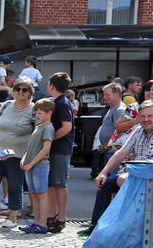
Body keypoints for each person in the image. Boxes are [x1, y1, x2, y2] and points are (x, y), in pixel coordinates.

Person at [82, 100, 153, 236]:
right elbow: (121, 152)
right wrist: (103, 172)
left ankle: (124, 231)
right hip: (135, 175)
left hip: (148, 177)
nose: (146, 120)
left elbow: (149, 162)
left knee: (124, 182)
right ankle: (97, 227)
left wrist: (130, 175)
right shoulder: (138, 130)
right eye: (143, 116)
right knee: (105, 183)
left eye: (150, 116)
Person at [0, 76, 36, 228]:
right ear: (13, 90)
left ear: (30, 92)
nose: (21, 92)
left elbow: (37, 132)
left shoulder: (33, 109)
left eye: (25, 89)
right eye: (18, 89)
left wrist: (29, 154)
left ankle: (13, 216)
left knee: (15, 185)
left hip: (17, 154)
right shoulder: (6, 105)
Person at [44, 72, 75, 234]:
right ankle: (51, 215)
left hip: (60, 148)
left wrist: (50, 140)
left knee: (59, 183)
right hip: (56, 149)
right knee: (52, 184)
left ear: (52, 86)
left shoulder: (62, 103)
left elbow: (67, 127)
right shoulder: (58, 102)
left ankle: (61, 218)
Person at [19, 98, 55, 234]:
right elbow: (31, 147)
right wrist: (24, 159)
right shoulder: (38, 127)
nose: (37, 116)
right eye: (36, 113)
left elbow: (46, 148)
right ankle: (36, 222)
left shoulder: (48, 128)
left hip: (40, 165)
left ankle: (42, 223)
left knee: (41, 194)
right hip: (30, 165)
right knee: (33, 194)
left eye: (40, 113)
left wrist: (32, 163)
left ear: (49, 113)